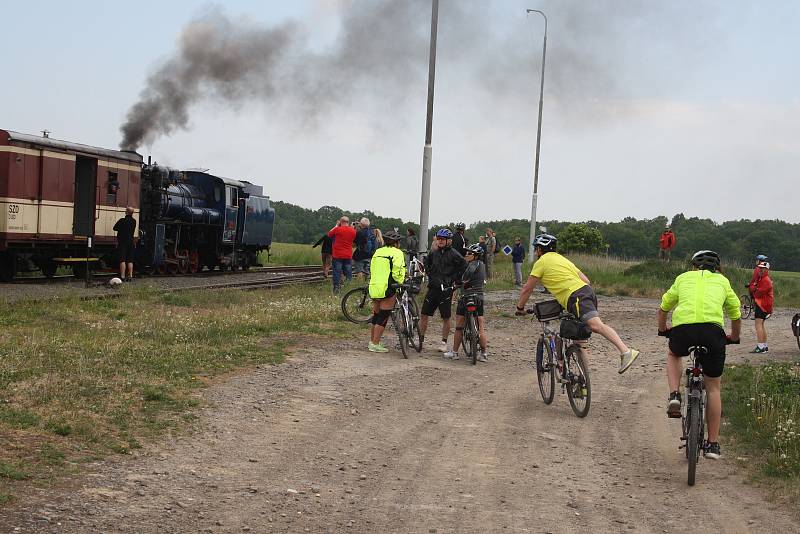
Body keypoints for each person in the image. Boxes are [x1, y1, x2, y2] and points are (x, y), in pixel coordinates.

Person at [515, 234, 641, 374]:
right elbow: (586, 280)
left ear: (539, 249)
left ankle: (626, 351)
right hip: (585, 293)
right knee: (579, 342)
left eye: (536, 249)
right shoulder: (563, 260)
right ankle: (581, 384)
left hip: (576, 297)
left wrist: (520, 308)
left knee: (596, 325)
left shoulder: (541, 262)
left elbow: (527, 289)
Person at [658, 250, 741, 460]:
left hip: (683, 330)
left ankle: (675, 394)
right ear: (717, 268)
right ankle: (712, 444)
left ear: (694, 266)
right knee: (713, 387)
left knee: (674, 354)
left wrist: (662, 329)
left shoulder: (683, 278)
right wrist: (733, 337)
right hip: (713, 333)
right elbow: (736, 312)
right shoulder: (723, 281)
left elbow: (664, 306)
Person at [420, 228, 467, 352]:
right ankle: (420, 339)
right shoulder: (433, 253)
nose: (440, 241)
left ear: (449, 241)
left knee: (446, 317)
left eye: (443, 239)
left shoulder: (454, 254)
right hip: (432, 288)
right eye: (438, 239)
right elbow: (426, 263)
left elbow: (463, 267)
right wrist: (430, 274)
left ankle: (444, 342)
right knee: (424, 314)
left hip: (446, 290)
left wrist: (455, 280)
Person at [444, 244, 489, 362]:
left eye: (469, 253)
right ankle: (484, 354)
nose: (466, 255)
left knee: (459, 326)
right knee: (481, 326)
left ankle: (454, 353)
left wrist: (458, 283)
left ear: (475, 256)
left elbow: (465, 277)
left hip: (466, 297)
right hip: (479, 297)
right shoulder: (483, 265)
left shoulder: (473, 265)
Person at [367, 230, 407, 353]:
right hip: (388, 286)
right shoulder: (397, 253)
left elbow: (371, 268)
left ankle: (372, 341)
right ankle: (375, 343)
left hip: (374, 286)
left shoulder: (378, 251)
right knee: (384, 316)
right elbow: (397, 270)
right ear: (397, 243)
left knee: (376, 315)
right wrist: (401, 281)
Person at [748, 258, 773, 353]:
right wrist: (754, 288)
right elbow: (755, 289)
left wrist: (753, 288)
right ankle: (764, 346)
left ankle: (760, 347)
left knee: (758, 325)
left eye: (763, 269)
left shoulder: (766, 280)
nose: (760, 270)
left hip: (762, 305)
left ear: (767, 270)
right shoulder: (762, 278)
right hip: (763, 304)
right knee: (761, 325)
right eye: (760, 268)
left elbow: (757, 294)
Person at [327, 216, 357, 293]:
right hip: (348, 255)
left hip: (337, 255)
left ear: (341, 222)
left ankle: (336, 290)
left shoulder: (337, 229)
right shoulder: (353, 231)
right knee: (348, 273)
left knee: (337, 272)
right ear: (348, 222)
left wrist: (336, 225)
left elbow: (329, 234)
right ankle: (348, 289)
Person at [113, 207, 136, 282]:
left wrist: (121, 229)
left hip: (123, 242)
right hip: (131, 242)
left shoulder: (122, 220)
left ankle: (122, 276)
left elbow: (115, 228)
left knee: (122, 259)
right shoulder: (134, 221)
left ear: (126, 212)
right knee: (130, 260)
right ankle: (130, 276)